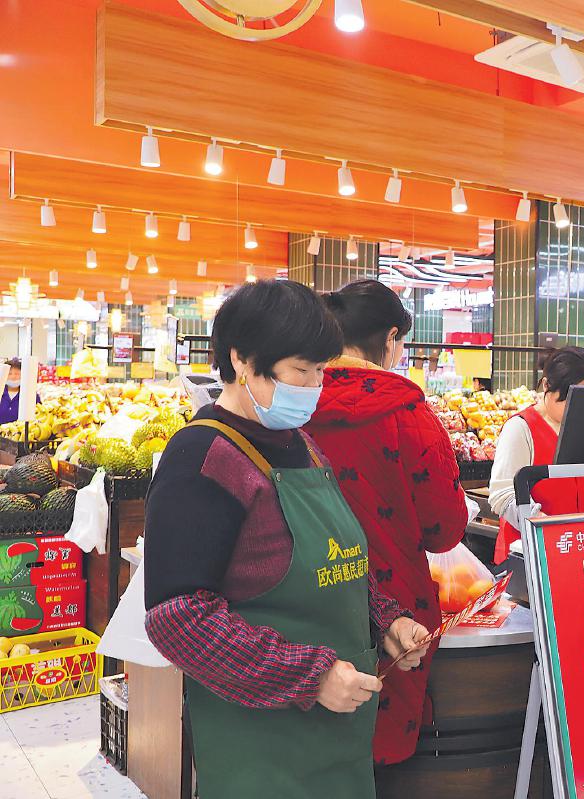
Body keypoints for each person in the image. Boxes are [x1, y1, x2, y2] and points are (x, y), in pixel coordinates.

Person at [144, 280, 429, 798]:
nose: (315, 386)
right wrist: (310, 677)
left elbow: (335, 566)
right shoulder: (202, 457)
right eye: (301, 370)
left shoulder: (303, 446)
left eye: (320, 370)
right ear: (242, 359)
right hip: (262, 750)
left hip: (339, 740)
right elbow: (177, 618)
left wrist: (386, 620)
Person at [306, 278, 469, 766]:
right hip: (396, 608)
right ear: (392, 337)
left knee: (310, 744)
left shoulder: (291, 400)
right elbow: (445, 529)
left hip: (304, 596)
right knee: (379, 747)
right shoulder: (408, 410)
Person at [488, 346, 584, 563]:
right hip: (531, 555)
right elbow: (502, 495)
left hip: (579, 550)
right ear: (547, 385)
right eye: (570, 397)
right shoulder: (520, 428)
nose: (577, 407)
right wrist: (544, 527)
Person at [0, 358, 38, 425]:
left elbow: (39, 414)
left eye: (17, 374)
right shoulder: (1, 392)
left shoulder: (31, 394)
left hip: (22, 431)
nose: (13, 377)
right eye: (9, 374)